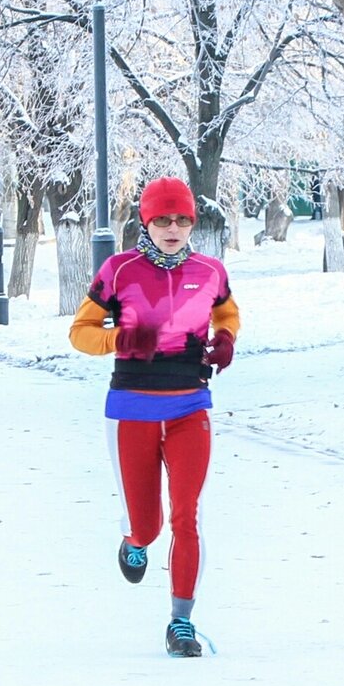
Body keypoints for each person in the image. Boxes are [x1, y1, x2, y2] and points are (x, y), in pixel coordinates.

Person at [69, 177, 240, 657]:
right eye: (162, 218)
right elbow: (79, 332)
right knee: (150, 525)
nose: (173, 228)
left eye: (182, 219)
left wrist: (225, 341)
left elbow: (227, 314)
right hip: (132, 410)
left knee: (187, 517)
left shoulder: (210, 271)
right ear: (146, 221)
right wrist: (118, 340)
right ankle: (134, 539)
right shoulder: (119, 271)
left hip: (190, 405)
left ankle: (180, 622)